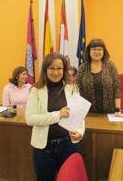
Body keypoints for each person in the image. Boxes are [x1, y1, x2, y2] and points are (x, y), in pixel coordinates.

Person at [25, 52, 85, 181]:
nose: (56, 72)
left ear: (64, 70)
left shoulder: (72, 88)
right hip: (44, 148)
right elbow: (30, 118)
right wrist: (58, 115)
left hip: (69, 145)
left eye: (59, 68)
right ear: (45, 69)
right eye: (52, 68)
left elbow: (79, 115)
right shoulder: (36, 90)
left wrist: (80, 132)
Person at [77, 38, 121, 113]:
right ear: (89, 51)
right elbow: (77, 90)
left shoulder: (110, 65)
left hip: (109, 113)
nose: (97, 52)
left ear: (104, 51)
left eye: (100, 49)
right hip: (88, 113)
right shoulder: (82, 68)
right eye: (94, 49)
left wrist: (118, 110)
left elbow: (117, 88)